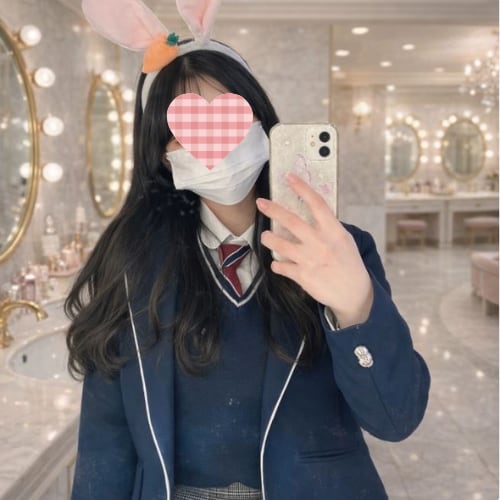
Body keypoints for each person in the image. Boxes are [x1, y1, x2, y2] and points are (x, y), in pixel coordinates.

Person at [67, 1, 430, 499]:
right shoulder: (130, 266)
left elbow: (397, 418)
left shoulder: (343, 251)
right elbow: (104, 443)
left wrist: (356, 307)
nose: (215, 143)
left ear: (261, 122)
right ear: (160, 152)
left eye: (230, 116)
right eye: (186, 129)